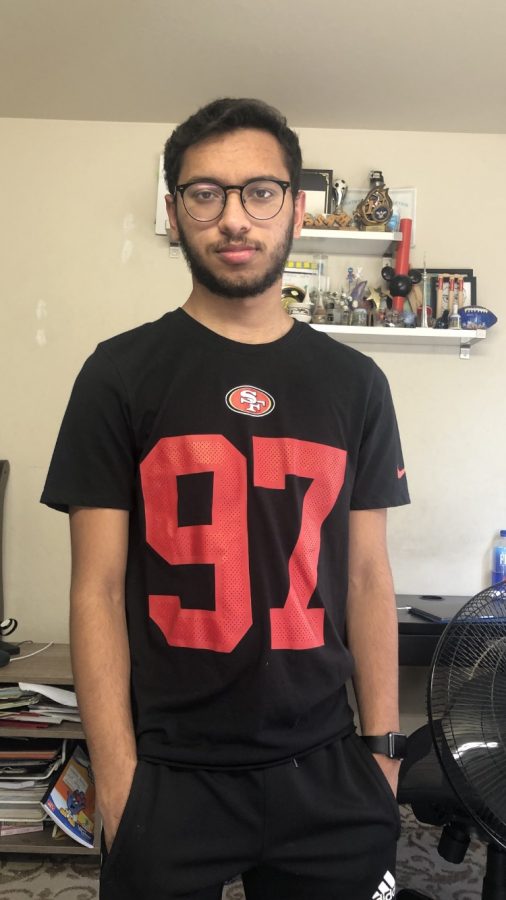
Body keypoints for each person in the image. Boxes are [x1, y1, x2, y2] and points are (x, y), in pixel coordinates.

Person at [41, 97, 410, 900]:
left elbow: (369, 580)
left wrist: (382, 753)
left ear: (296, 208)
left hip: (327, 767)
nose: (234, 217)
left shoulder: (356, 384)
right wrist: (117, 779)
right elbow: (96, 590)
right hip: (169, 773)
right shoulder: (118, 375)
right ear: (174, 214)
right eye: (205, 194)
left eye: (259, 192)